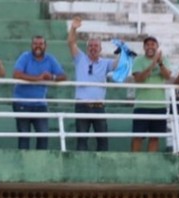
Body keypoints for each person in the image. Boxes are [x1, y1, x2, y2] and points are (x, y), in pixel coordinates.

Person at [67, 17, 115, 151]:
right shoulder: (80, 58)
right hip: (82, 105)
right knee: (81, 140)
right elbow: (71, 43)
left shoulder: (105, 63)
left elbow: (117, 65)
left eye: (96, 46)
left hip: (99, 106)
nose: (93, 48)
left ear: (100, 49)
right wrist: (74, 28)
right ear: (87, 48)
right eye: (91, 46)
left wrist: (122, 53)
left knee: (103, 140)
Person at [12, 35, 66, 150]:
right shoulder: (25, 57)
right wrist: (38, 78)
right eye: (35, 43)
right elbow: (16, 74)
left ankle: (41, 165)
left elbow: (63, 76)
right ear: (31, 45)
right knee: (24, 137)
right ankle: (23, 165)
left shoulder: (50, 59)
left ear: (45, 46)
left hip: (40, 104)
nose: (38, 46)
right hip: (22, 103)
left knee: (43, 136)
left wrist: (52, 77)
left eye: (41, 44)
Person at [130, 35, 172, 153]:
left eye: (153, 44)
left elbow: (168, 76)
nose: (150, 47)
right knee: (137, 137)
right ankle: (134, 161)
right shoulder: (138, 60)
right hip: (142, 105)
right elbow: (139, 79)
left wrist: (160, 63)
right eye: (147, 45)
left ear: (157, 47)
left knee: (155, 137)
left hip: (159, 105)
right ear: (144, 47)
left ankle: (151, 163)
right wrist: (153, 64)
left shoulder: (165, 59)